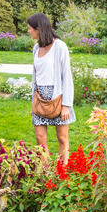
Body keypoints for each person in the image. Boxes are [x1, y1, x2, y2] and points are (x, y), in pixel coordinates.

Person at [27, 13, 76, 165]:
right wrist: (34, 101)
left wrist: (66, 105)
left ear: (39, 29)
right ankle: (46, 173)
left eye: (30, 29)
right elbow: (35, 76)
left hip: (57, 99)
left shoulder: (60, 47)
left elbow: (66, 76)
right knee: (40, 139)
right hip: (40, 98)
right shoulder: (36, 48)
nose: (28, 32)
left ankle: (63, 171)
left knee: (62, 138)